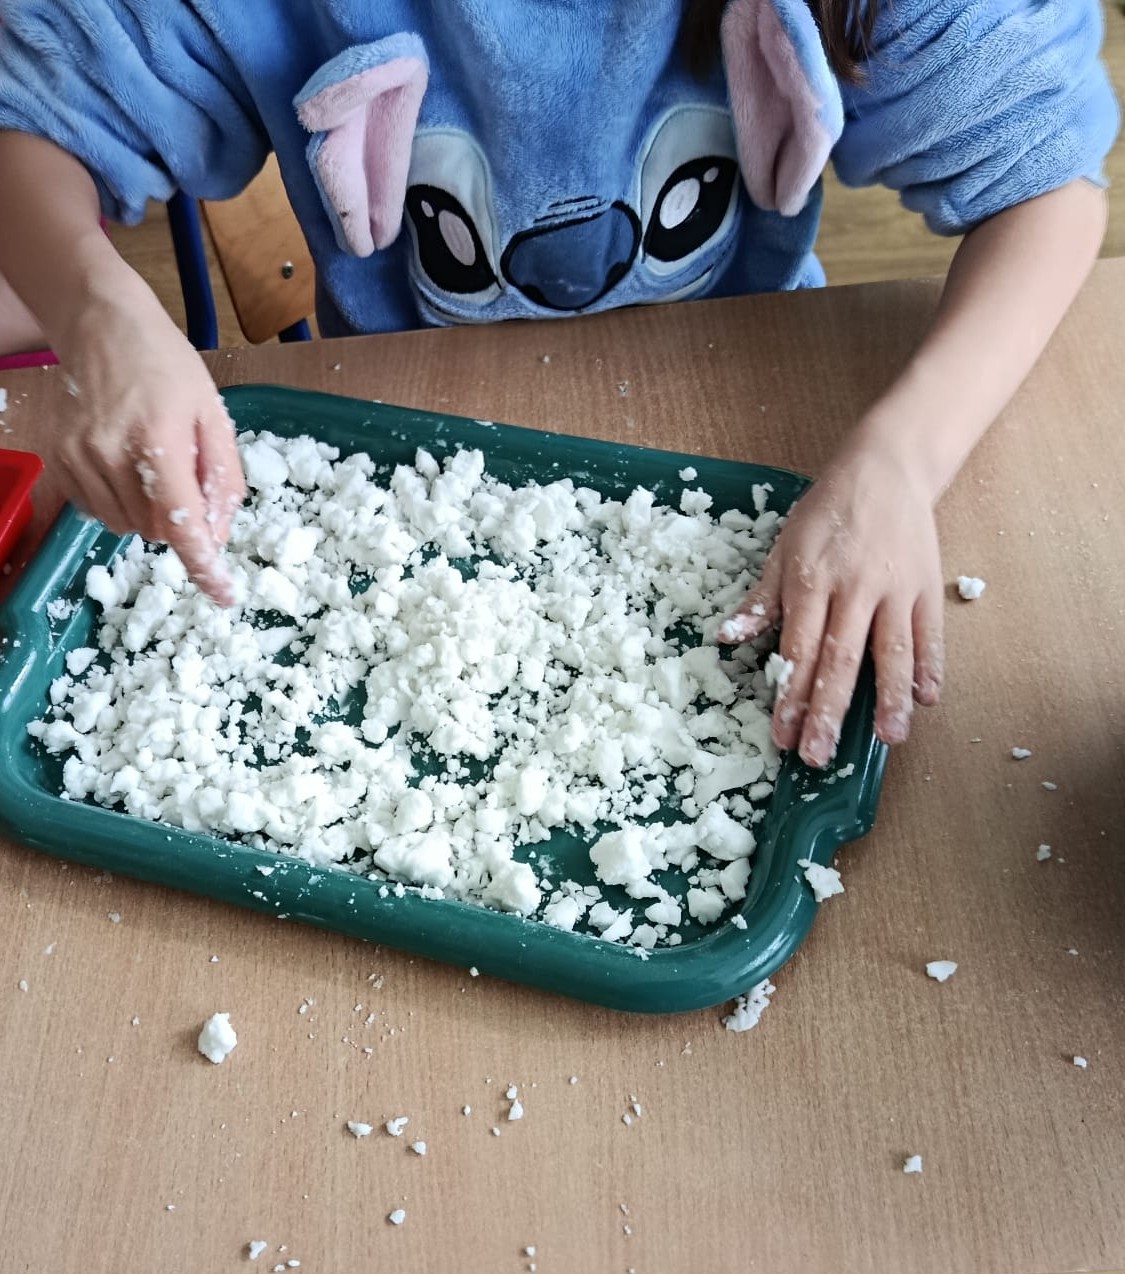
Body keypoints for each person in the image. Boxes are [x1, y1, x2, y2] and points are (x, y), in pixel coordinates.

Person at [0, 1, 1117, 767]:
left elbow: (1046, 190)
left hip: (748, 399)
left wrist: (900, 462)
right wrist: (103, 318)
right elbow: (32, 126)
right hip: (410, 424)